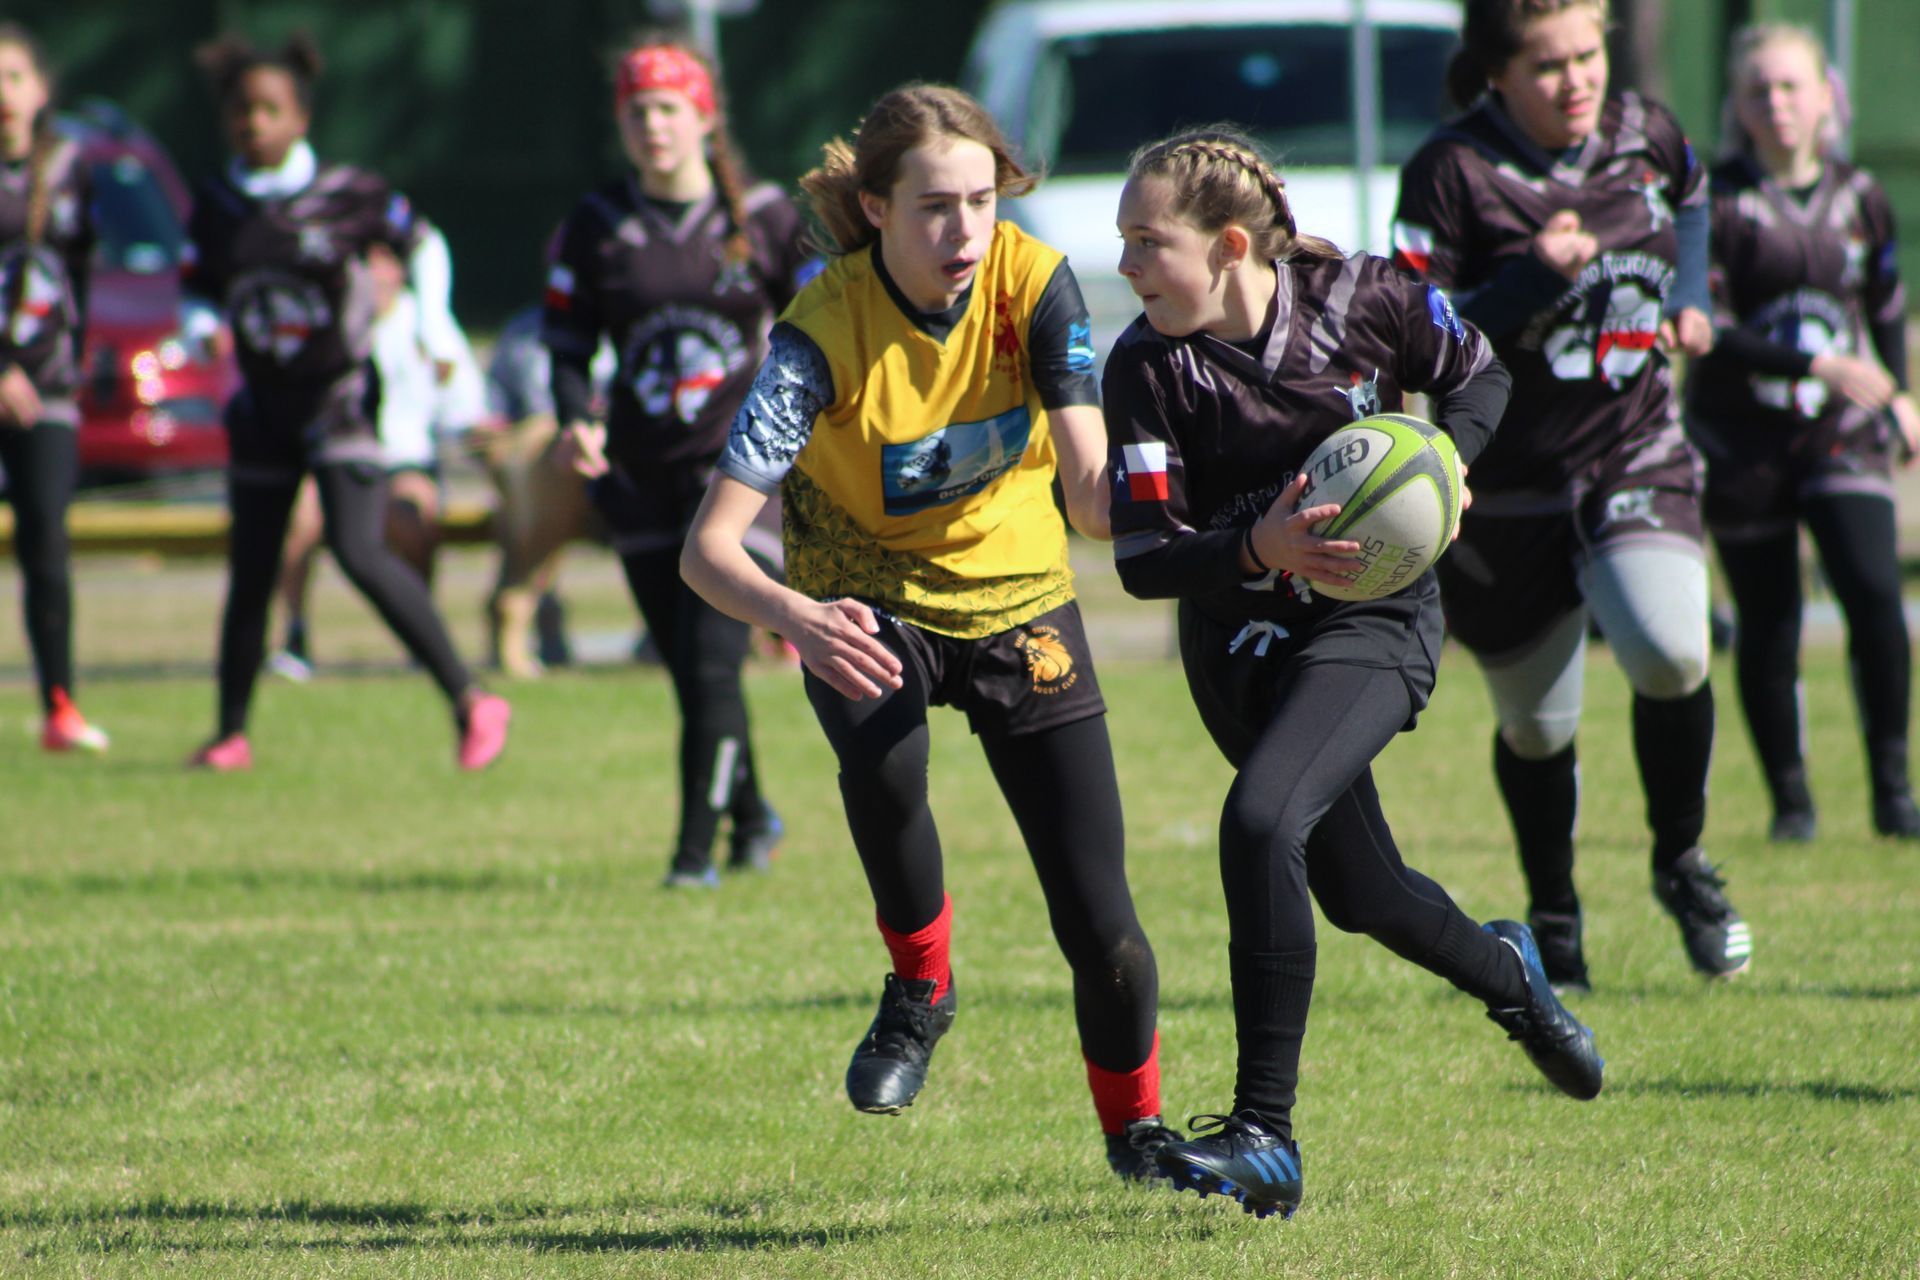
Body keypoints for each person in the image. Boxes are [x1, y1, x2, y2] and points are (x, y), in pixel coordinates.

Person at [1104, 126, 1601, 1221]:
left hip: (1373, 623)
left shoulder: (1363, 296)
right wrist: (1256, 550)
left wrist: (1446, 464)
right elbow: (1143, 557)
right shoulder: (1146, 364)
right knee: (1363, 890)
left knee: (1259, 819)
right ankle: (1512, 978)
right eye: (1126, 242)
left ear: (1230, 244)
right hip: (1236, 645)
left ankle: (1264, 1136)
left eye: (1149, 241)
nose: (1130, 264)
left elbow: (1478, 371)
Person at [681, 83, 1175, 1180]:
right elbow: (707, 550)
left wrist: (1159, 505)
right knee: (883, 752)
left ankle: (1137, 1132)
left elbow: (1089, 485)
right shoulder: (818, 332)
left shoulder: (1036, 284)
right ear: (873, 208)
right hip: (862, 592)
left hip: (1016, 594)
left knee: (1105, 925)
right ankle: (919, 987)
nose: (963, 231)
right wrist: (795, 617)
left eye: (981, 201)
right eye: (933, 208)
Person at [1392, 0, 1748, 990]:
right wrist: (1527, 279)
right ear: (1497, 73)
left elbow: (1693, 197)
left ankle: (1681, 862)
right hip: (1506, 483)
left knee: (1672, 650)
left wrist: (1692, 298)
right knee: (1537, 727)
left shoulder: (1644, 134)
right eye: (1549, 66)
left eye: (1588, 55)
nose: (1578, 79)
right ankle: (1555, 911)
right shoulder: (1450, 171)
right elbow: (1416, 323)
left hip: (1636, 449)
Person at [182, 32, 508, 770]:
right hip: (262, 410)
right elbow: (197, 285)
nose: (253, 122)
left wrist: (430, 319)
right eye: (240, 110)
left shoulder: (347, 193)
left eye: (269, 108)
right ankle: (230, 733)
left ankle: (473, 698)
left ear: (301, 116)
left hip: (339, 403)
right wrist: (201, 328)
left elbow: (424, 244)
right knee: (253, 571)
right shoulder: (217, 205)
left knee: (362, 551)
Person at [543, 36, 812, 885]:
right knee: (693, 678)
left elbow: (817, 330)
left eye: (668, 109)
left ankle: (695, 856)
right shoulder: (595, 225)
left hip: (740, 480)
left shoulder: (764, 216)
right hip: (639, 476)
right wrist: (573, 416)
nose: (653, 126)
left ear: (704, 118)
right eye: (637, 111)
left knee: (711, 662)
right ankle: (756, 814)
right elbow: (566, 341)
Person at [1687, 24, 1919, 842]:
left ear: (1828, 96)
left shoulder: (1860, 197)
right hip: (1742, 435)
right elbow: (1708, 325)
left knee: (1877, 602)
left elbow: (1885, 308)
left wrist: (1897, 396)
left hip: (1839, 433)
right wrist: (1815, 365)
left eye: (1791, 87)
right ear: (1738, 109)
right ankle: (1792, 804)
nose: (1777, 105)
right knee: (1770, 621)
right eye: (1759, 91)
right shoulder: (1716, 202)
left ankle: (1894, 791)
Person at [0, 22, 108, 752]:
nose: (1, 95)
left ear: (40, 89)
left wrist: (66, 363)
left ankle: (60, 708)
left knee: (46, 539)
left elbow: (81, 280)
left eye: (12, 77)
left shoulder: (70, 168)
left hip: (48, 391)